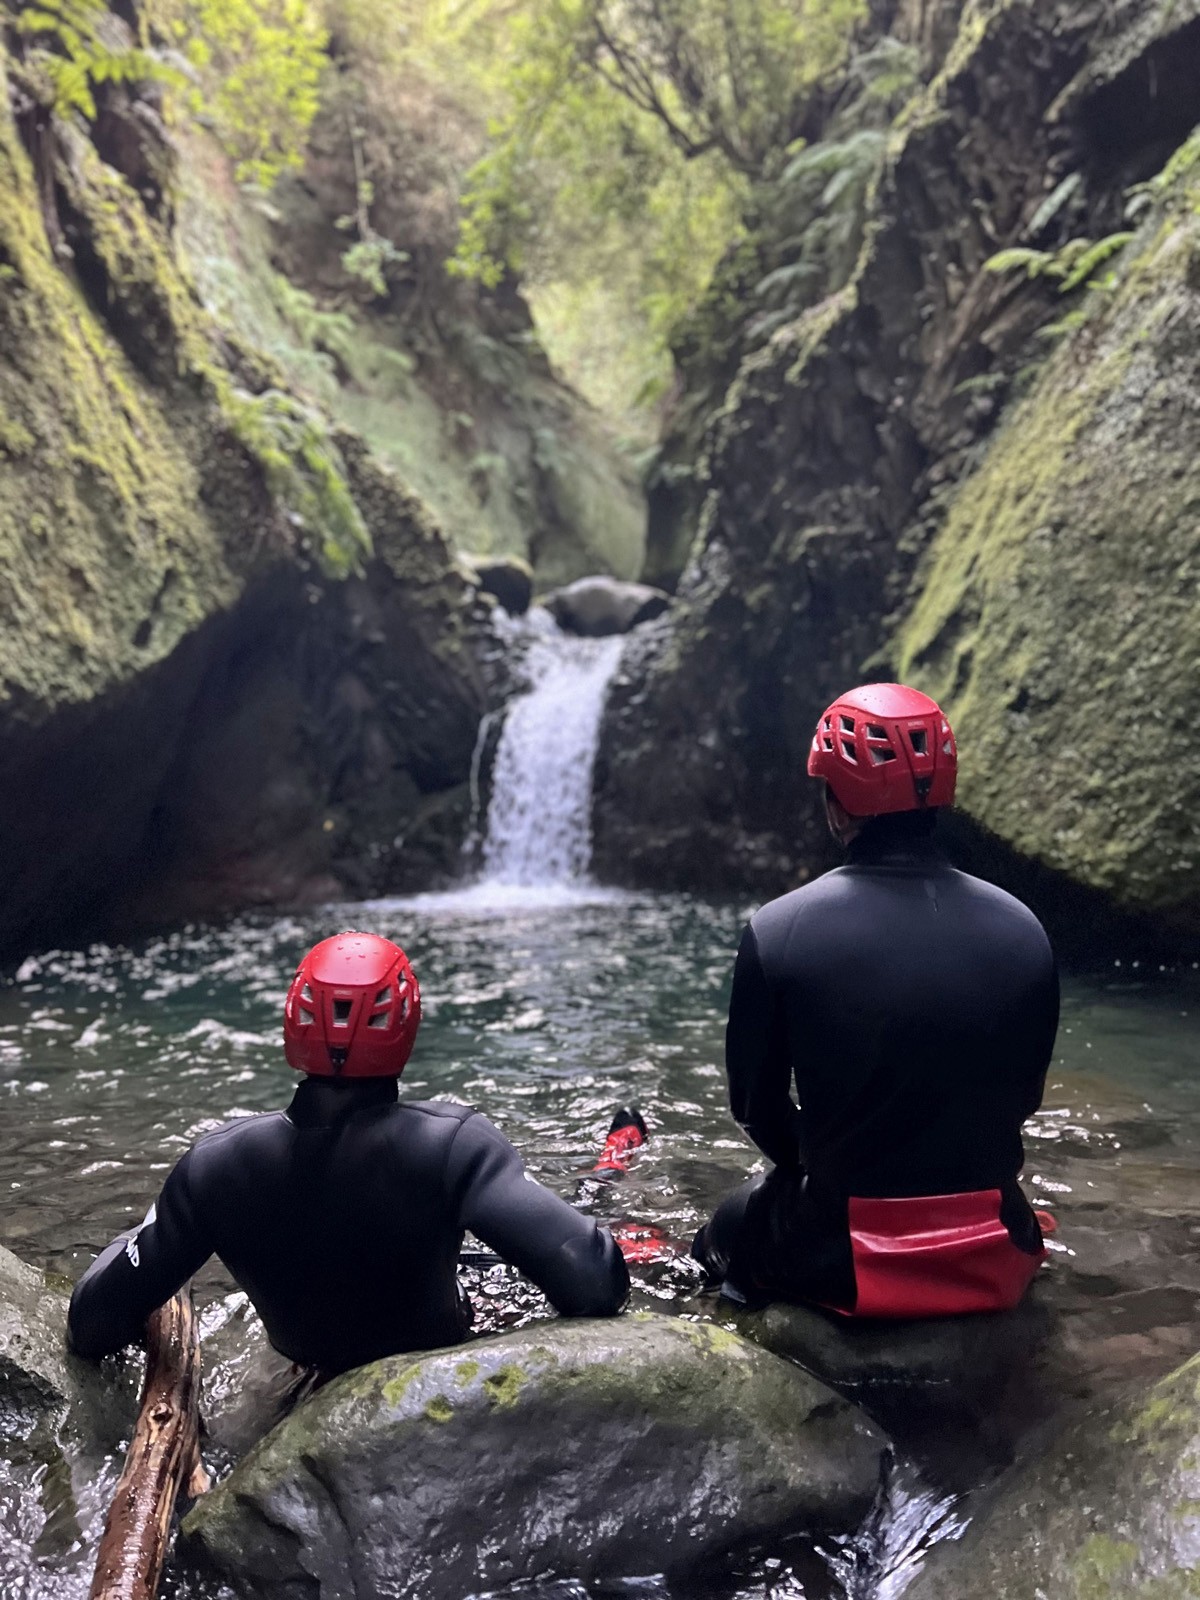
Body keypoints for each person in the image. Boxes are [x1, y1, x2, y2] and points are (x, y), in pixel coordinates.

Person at [68, 932, 630, 1375]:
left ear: (294, 1021)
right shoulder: (455, 1144)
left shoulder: (214, 1167)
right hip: (439, 1338)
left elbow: (91, 1323)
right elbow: (595, 1282)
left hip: (305, 1356)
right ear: (405, 1025)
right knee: (574, 1211)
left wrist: (141, 1233)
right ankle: (610, 1168)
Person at [692, 683, 1059, 1319]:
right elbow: (1022, 1098)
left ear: (839, 806)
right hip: (994, 1243)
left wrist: (816, 1160)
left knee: (722, 1232)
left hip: (845, 1258)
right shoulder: (1024, 926)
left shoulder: (780, 929)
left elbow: (756, 1107)